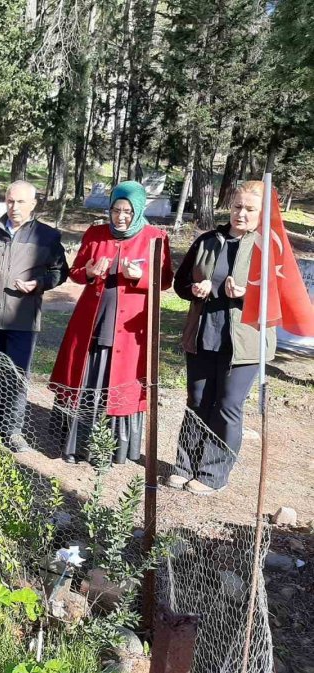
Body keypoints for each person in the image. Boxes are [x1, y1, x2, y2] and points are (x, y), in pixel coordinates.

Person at [50, 180, 173, 464]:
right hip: (92, 320)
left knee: (119, 379)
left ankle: (111, 448)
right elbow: (77, 272)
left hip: (129, 328)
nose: (121, 216)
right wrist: (90, 271)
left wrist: (138, 278)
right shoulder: (96, 233)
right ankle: (76, 444)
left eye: (128, 211)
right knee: (87, 376)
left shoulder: (155, 237)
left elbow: (165, 280)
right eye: (116, 210)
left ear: (139, 210)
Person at [168, 180, 275, 496]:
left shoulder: (268, 247)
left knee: (227, 406)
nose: (241, 213)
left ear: (262, 212)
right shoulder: (207, 241)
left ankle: (213, 474)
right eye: (237, 206)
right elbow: (180, 283)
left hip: (244, 344)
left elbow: (280, 299)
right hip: (203, 334)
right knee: (197, 402)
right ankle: (185, 465)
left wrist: (247, 295)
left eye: (250, 209)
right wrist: (194, 290)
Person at [0, 181, 69, 451]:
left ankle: (13, 431)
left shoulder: (47, 236)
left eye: (21, 202)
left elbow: (60, 272)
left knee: (16, 377)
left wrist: (39, 283)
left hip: (23, 320)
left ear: (33, 204)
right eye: (10, 201)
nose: (14, 207)